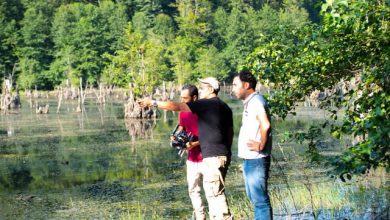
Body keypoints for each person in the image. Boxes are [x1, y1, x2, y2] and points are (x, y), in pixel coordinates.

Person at [139, 77, 233, 220]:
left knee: (214, 195)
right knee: (213, 193)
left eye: (202, 88)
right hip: (220, 155)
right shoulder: (225, 107)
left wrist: (152, 102)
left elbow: (177, 106)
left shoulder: (206, 104)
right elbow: (230, 133)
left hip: (211, 157)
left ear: (211, 89)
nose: (200, 90)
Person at [231, 70, 273, 220]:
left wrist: (261, 145)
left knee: (260, 201)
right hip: (251, 159)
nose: (233, 89)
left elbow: (266, 125)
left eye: (236, 85)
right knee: (255, 199)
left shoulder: (256, 101)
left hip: (256, 159)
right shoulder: (251, 102)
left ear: (246, 85)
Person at [172, 84, 205, 219]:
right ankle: (200, 217)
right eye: (181, 98)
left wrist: (195, 143)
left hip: (207, 157)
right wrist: (176, 135)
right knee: (193, 190)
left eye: (185, 98)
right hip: (191, 158)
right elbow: (182, 126)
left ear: (194, 97)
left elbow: (212, 135)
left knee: (212, 191)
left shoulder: (204, 112)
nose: (182, 101)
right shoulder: (183, 111)